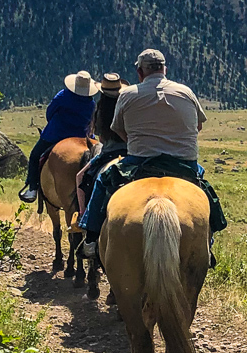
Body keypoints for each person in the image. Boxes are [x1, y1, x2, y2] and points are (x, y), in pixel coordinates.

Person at [75, 49, 227, 255]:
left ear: (140, 72)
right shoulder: (186, 92)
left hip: (140, 161)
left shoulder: (128, 95)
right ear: (164, 69)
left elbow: (118, 129)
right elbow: (198, 126)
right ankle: (208, 239)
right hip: (184, 162)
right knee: (204, 189)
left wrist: (139, 141)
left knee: (102, 181)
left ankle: (91, 237)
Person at [18, 70, 100, 204]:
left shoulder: (63, 95)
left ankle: (32, 189)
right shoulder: (91, 103)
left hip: (56, 134)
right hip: (83, 136)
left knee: (34, 156)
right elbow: (92, 121)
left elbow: (50, 112)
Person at [76, 72, 129, 218]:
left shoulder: (100, 111)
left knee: (80, 177)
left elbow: (101, 138)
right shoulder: (127, 107)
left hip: (108, 153)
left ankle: (83, 215)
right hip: (131, 152)